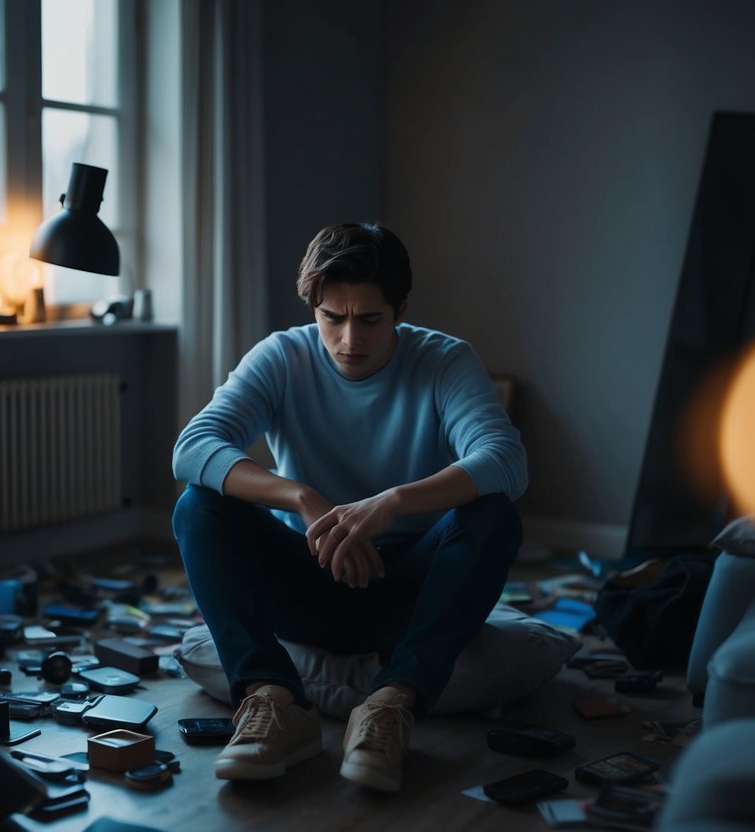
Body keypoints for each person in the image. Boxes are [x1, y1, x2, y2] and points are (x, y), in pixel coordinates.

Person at [171, 222, 527, 793]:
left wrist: (389, 504)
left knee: (493, 516)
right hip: (305, 583)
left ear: (401, 309)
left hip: (408, 591)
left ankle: (391, 703)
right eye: (331, 318)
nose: (348, 340)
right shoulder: (282, 356)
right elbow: (193, 447)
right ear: (313, 307)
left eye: (369, 319)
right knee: (198, 507)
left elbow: (506, 460)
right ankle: (272, 701)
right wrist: (303, 497)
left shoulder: (444, 360)